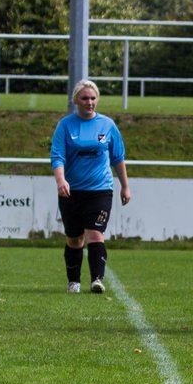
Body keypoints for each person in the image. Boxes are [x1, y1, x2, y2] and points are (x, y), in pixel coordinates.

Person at [51, 79, 131, 294]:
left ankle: (97, 279)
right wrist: (61, 180)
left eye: (93, 98)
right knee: (75, 238)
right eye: (85, 98)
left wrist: (125, 186)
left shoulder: (108, 125)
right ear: (76, 100)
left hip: (100, 190)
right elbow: (57, 156)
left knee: (95, 233)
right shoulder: (66, 125)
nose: (89, 102)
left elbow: (118, 157)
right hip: (72, 191)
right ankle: (73, 281)